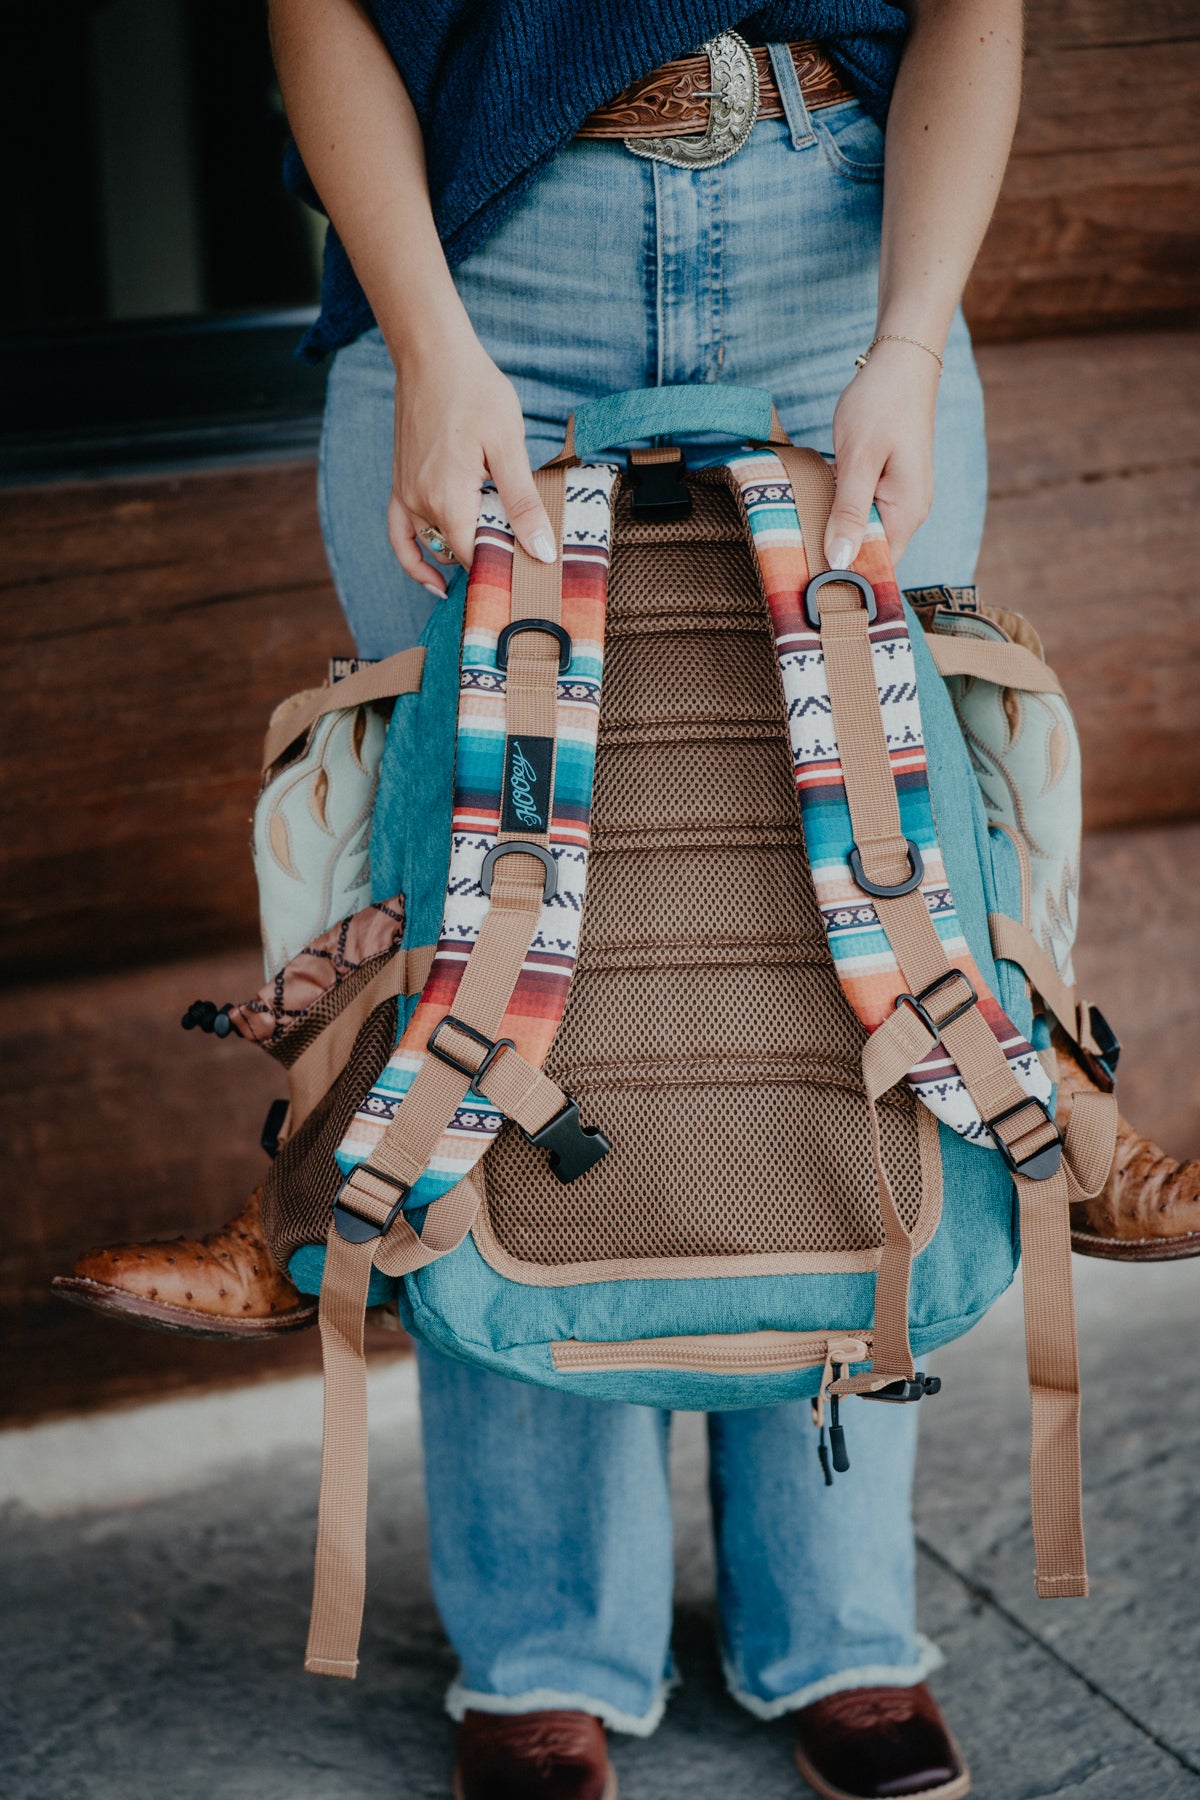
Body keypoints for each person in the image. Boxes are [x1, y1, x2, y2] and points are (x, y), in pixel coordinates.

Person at [52, 6, 1200, 1798]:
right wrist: (429, 339)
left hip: (847, 248)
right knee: (512, 958)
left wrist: (909, 335)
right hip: (494, 267)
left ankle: (837, 1626)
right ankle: (541, 1646)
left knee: (836, 956)